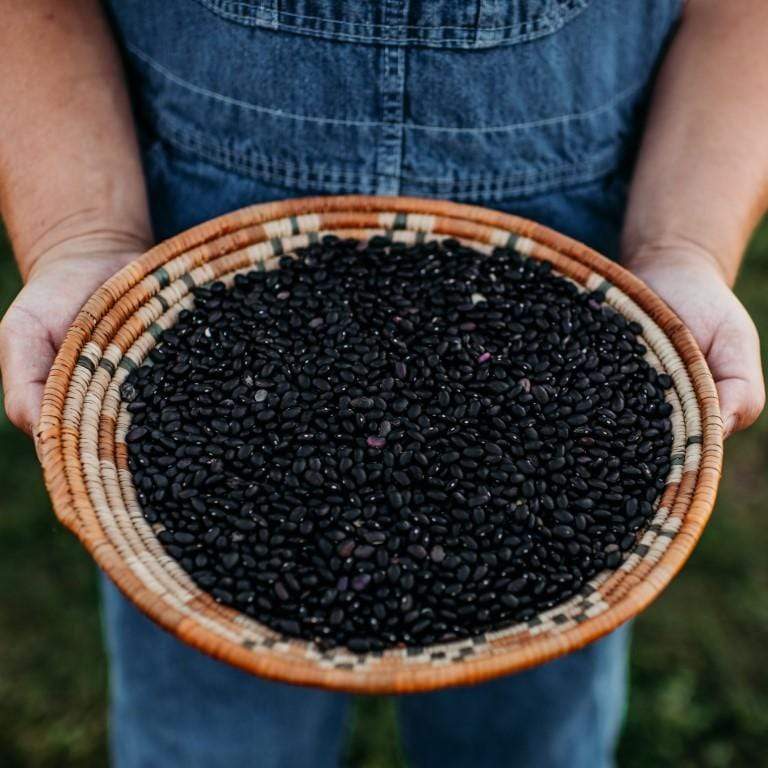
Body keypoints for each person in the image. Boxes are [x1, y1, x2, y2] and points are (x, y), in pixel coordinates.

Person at [0, 1, 765, 766]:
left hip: (574, 300)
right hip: (183, 256)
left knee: (526, 737)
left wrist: (681, 244)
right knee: (213, 740)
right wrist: (83, 233)